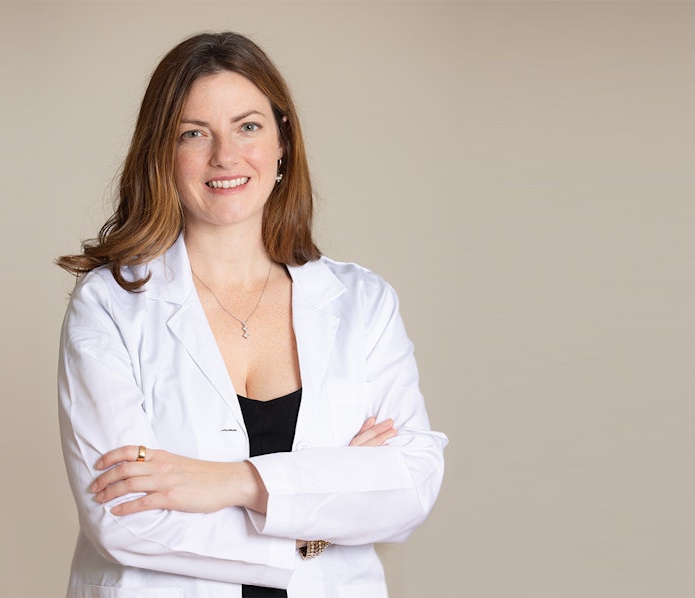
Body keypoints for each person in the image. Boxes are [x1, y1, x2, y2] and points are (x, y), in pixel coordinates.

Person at [56, 31, 447, 598]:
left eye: (248, 126)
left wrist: (229, 482)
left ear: (283, 140)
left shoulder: (364, 303)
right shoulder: (110, 304)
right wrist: (320, 523)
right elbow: (125, 516)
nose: (225, 156)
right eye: (194, 133)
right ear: (162, 153)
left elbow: (410, 486)